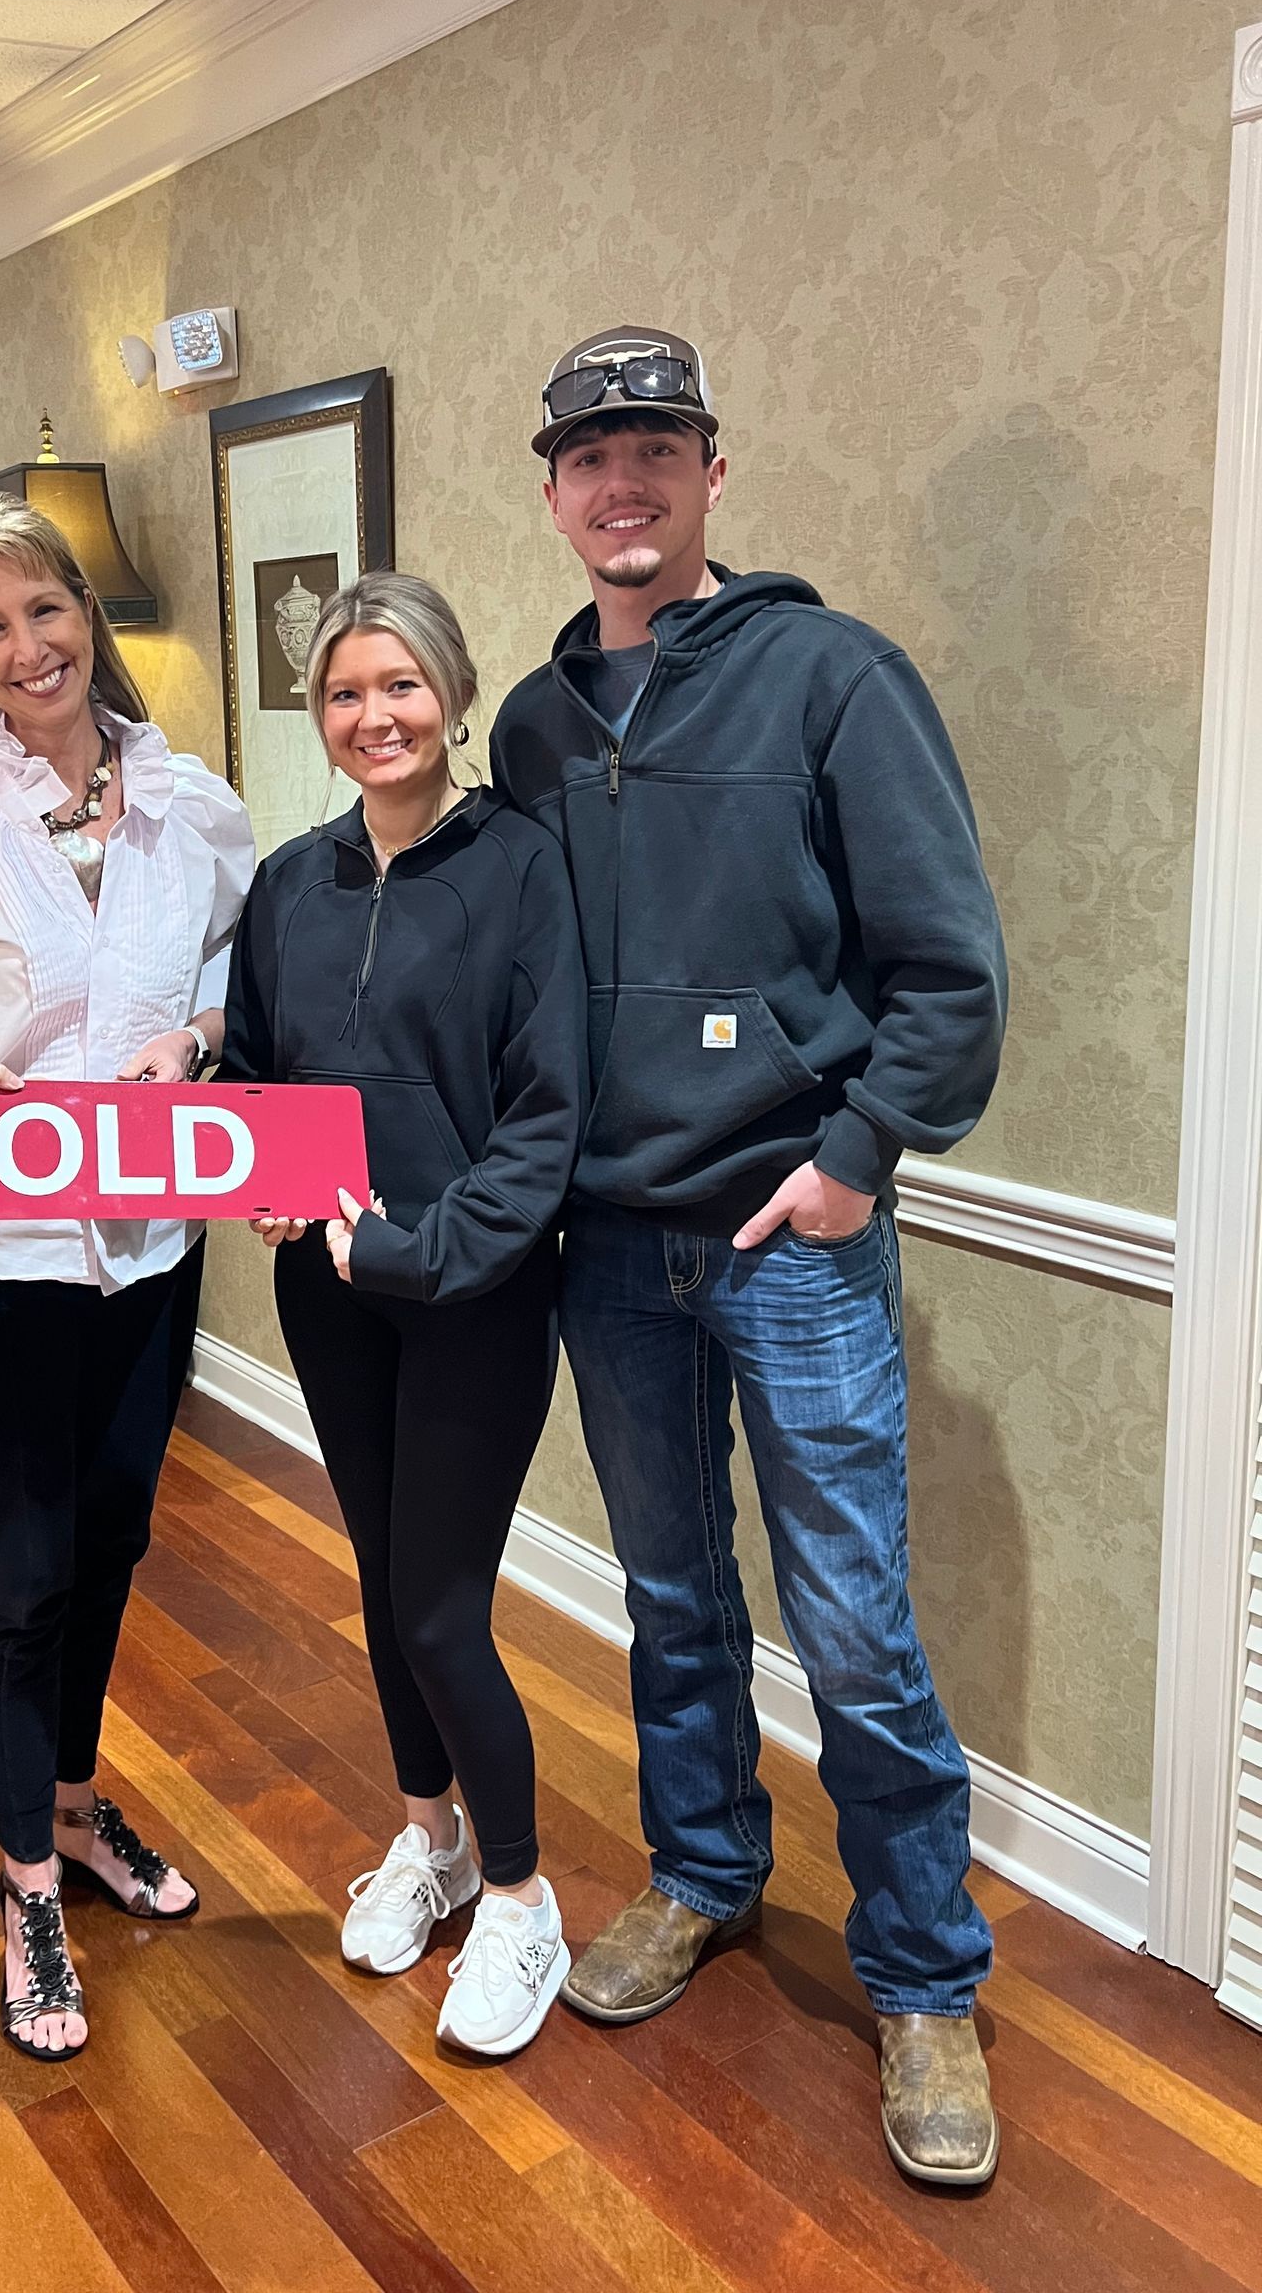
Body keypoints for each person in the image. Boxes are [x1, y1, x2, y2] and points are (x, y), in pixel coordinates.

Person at [490, 326, 1008, 2181]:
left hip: (790, 1232)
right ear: (550, 493)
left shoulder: (832, 678)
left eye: (653, 447)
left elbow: (953, 972)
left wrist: (858, 1157)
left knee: (855, 1624)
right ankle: (704, 1873)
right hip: (610, 1249)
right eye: (585, 457)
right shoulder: (532, 725)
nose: (619, 484)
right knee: (673, 1596)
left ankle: (929, 1979)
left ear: (713, 468)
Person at [0, 496, 255, 2062]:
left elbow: (229, 968)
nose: (27, 649)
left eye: (44, 612)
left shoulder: (196, 806)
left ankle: (80, 1804)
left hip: (153, 1252)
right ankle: (26, 1875)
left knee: (116, 1536)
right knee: (22, 1569)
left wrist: (202, 1041)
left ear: (87, 614)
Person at [222, 573, 586, 2059]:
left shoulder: (522, 868)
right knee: (380, 1575)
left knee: (441, 1601)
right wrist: (249, 1163)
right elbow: (252, 1066)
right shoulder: (293, 884)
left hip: (473, 1295)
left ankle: (520, 1898)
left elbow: (550, 1113)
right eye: (346, 693)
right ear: (320, 713)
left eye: (402, 687)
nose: (375, 717)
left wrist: (424, 1253)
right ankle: (428, 1838)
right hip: (329, 1290)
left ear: (453, 693)